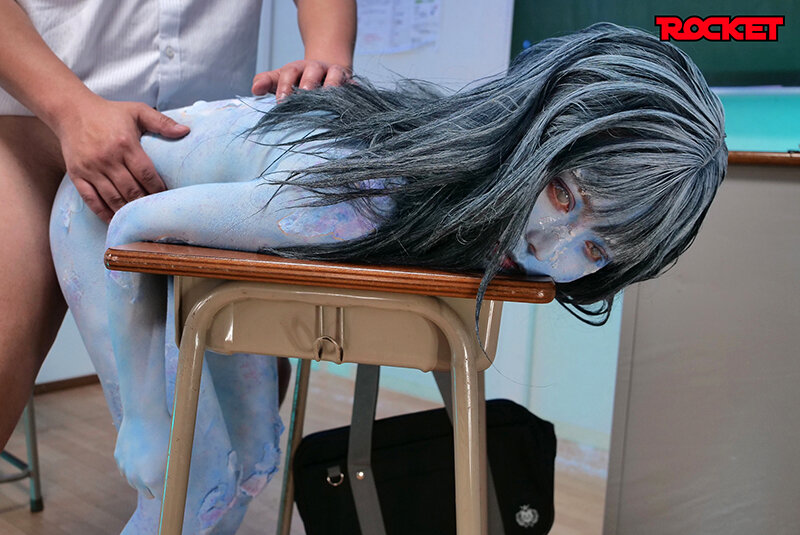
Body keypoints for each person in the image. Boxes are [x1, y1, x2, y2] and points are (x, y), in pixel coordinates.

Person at [50, 23, 726, 533]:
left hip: (202, 239)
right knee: (189, 480)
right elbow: (133, 227)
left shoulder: (451, 198)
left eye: (597, 249)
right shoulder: (355, 203)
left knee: (252, 462)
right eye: (561, 194)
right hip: (103, 210)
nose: (551, 248)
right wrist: (143, 419)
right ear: (535, 134)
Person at [0, 0, 357, 451]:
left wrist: (326, 61)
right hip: (31, 127)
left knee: (249, 391)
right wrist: (72, 111)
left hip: (204, 140)